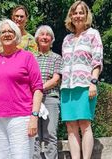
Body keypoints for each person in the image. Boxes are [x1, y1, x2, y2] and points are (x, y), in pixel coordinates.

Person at [0, 19, 43, 159]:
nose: (6, 34)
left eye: (10, 31)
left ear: (16, 34)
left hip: (21, 117)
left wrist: (34, 117)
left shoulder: (27, 57)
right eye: (3, 32)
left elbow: (37, 88)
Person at [61, 1, 103, 159]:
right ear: (70, 16)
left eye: (81, 13)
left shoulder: (93, 34)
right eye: (75, 13)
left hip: (85, 85)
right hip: (67, 87)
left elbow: (97, 60)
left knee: (85, 124)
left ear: (86, 15)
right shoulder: (67, 39)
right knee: (70, 126)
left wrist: (93, 82)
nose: (77, 16)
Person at [33, 25, 62, 159]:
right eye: (42, 34)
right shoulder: (31, 57)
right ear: (37, 38)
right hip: (32, 100)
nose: (44, 37)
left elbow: (56, 79)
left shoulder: (57, 58)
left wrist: (39, 89)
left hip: (50, 98)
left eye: (48, 35)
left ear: (52, 40)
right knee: (34, 136)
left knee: (50, 134)